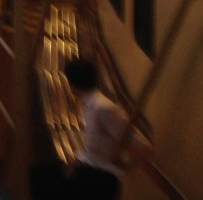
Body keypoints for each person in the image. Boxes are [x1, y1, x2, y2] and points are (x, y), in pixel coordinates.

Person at [31, 58, 153, 200]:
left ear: (72, 84)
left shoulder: (103, 108)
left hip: (102, 177)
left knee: (48, 185)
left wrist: (126, 165)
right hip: (88, 168)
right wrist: (74, 162)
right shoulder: (89, 105)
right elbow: (91, 149)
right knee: (40, 174)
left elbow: (143, 146)